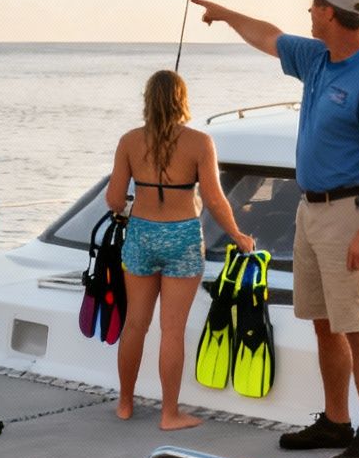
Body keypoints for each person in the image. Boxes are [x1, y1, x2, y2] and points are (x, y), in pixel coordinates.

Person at [193, 0, 359, 458]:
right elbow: (268, 36)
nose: (308, 13)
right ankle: (336, 421)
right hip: (310, 210)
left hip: (349, 213)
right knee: (324, 324)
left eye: (314, 6)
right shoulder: (316, 58)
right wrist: (227, 14)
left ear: (331, 12)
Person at [107, 69, 256, 431]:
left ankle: (125, 404)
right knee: (171, 331)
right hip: (184, 237)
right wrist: (237, 235)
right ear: (181, 100)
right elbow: (216, 201)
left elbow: (113, 200)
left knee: (135, 325)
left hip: (141, 234)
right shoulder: (200, 143)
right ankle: (169, 414)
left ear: (148, 100)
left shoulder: (129, 141)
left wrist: (133, 205)